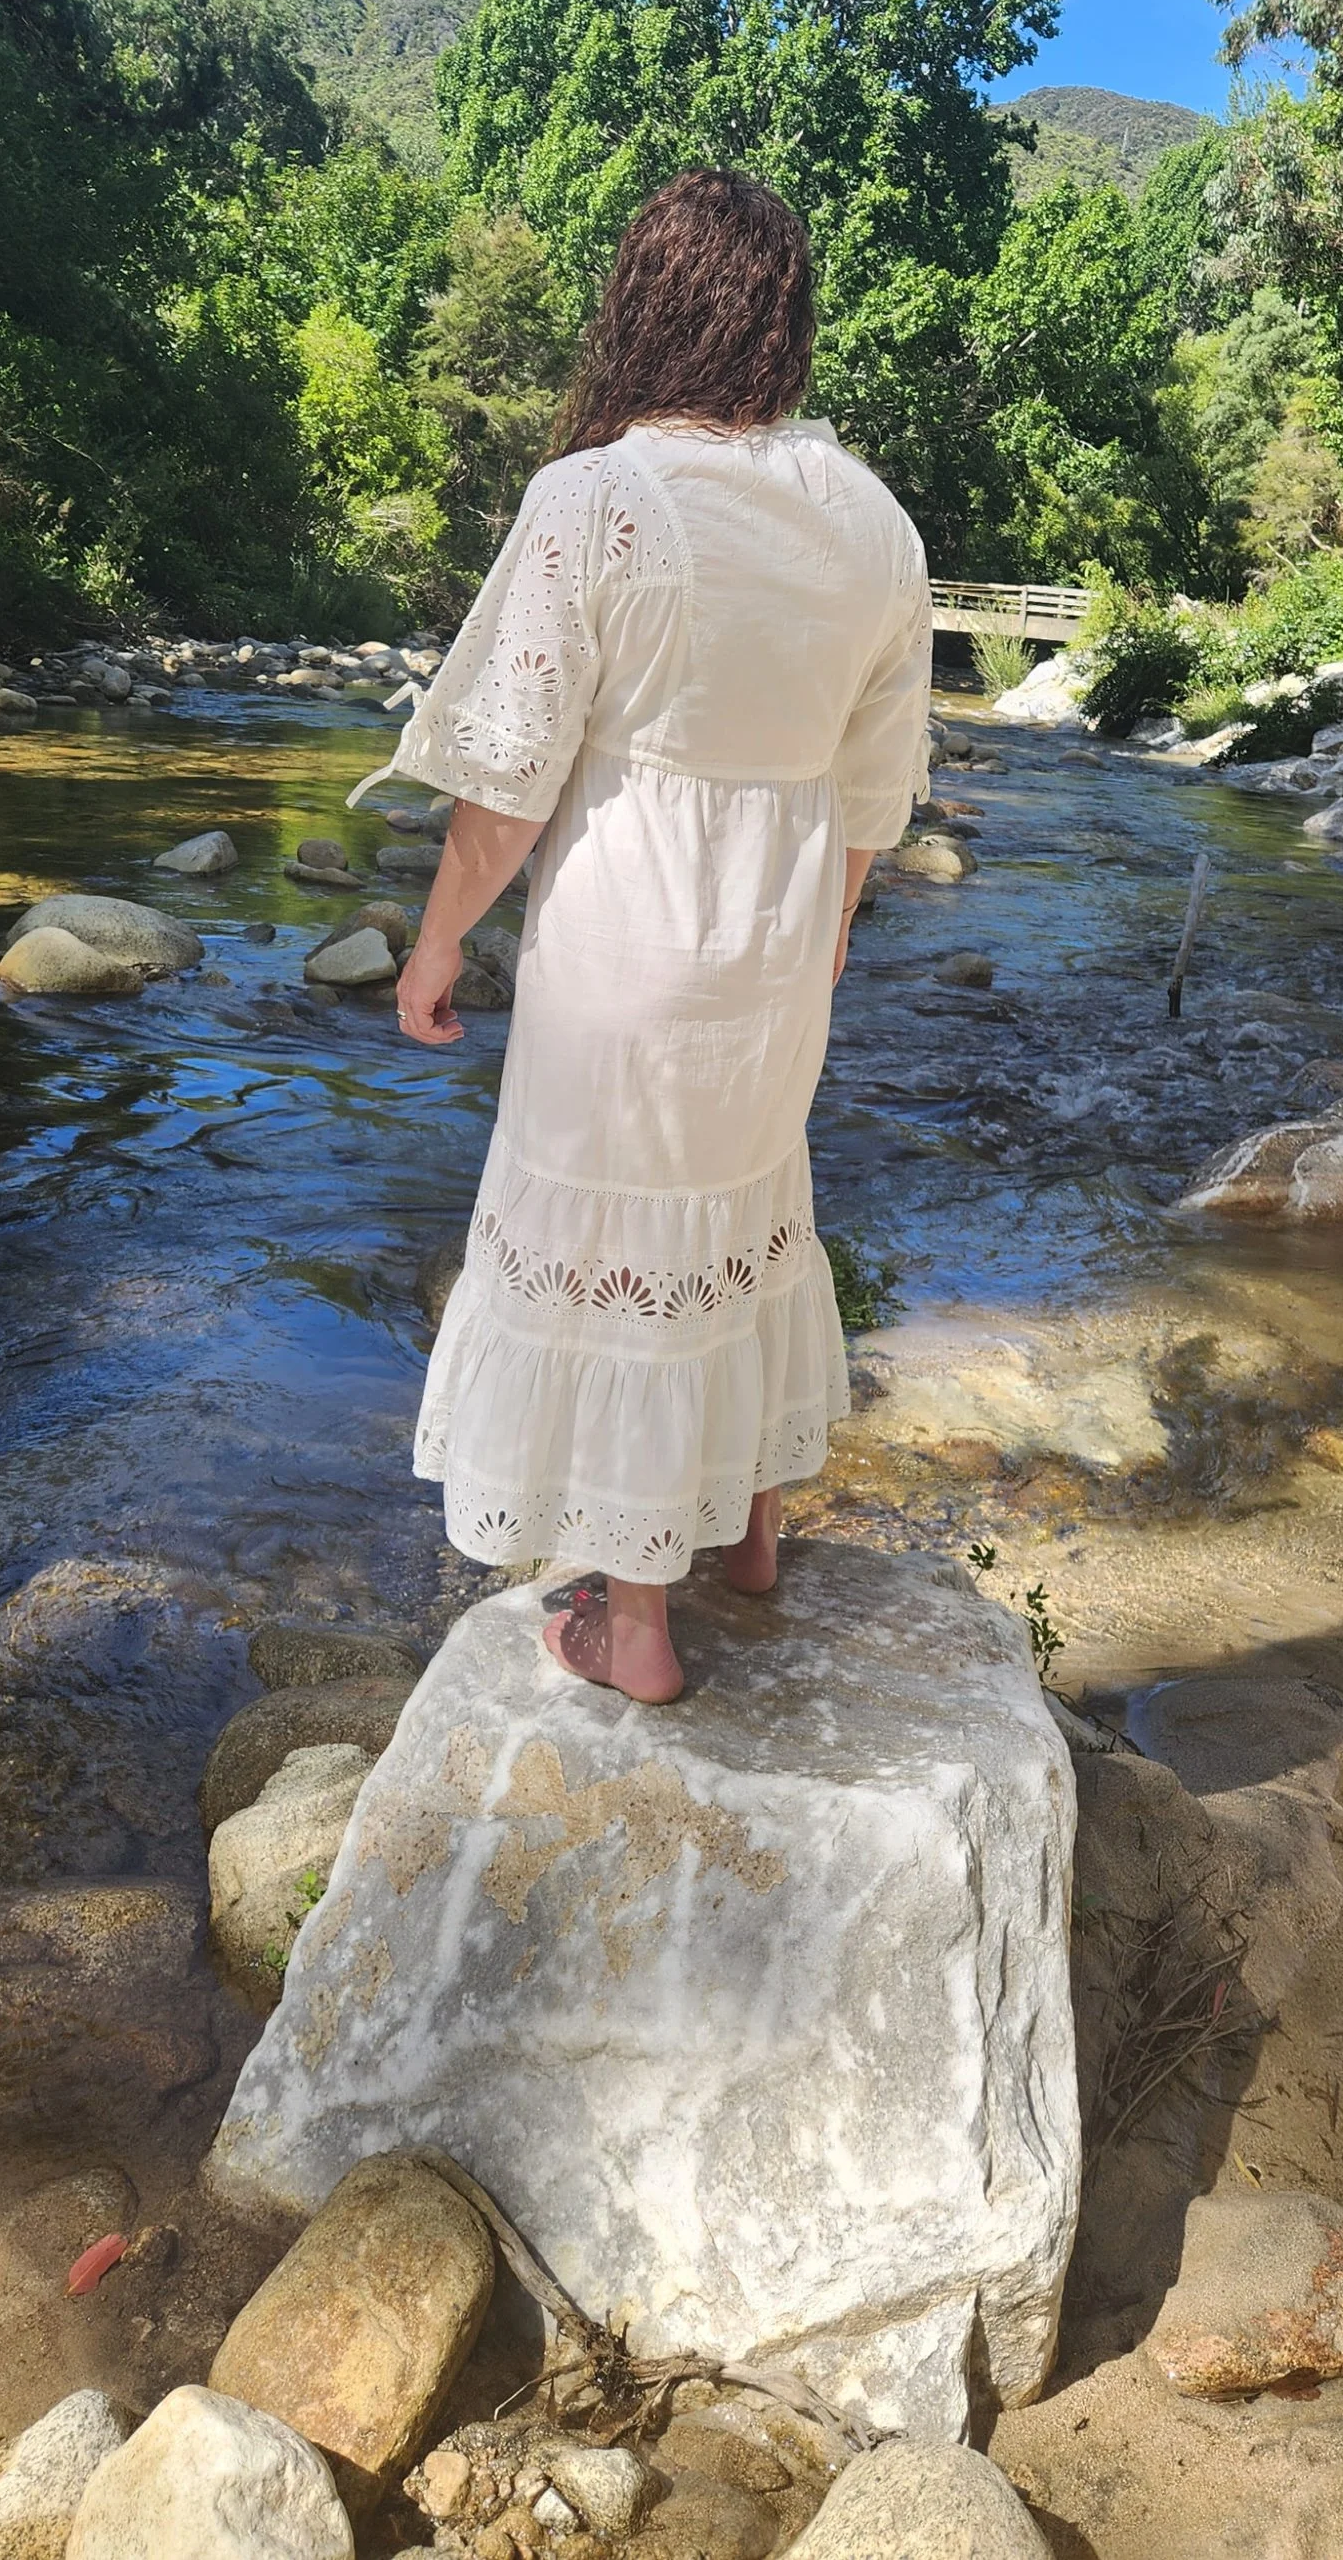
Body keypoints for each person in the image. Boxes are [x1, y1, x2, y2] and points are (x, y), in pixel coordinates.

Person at [386, 167, 934, 1703]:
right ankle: (750, 1535)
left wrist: (435, 952)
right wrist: (824, 933)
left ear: (646, 307)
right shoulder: (873, 522)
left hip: (630, 939)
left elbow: (507, 782)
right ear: (783, 324)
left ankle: (632, 1632)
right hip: (776, 951)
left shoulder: (598, 501)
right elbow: (875, 794)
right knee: (743, 1229)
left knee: (620, 1243)